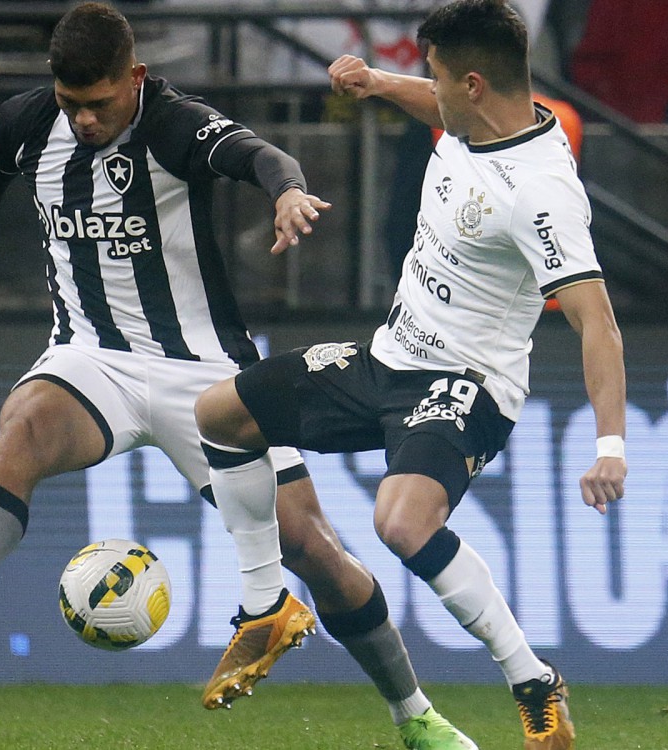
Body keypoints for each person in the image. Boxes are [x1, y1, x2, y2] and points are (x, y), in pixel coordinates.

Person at [0, 4, 476, 749]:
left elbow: (260, 156)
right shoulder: (27, 123)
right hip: (91, 357)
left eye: (100, 103)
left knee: (313, 549)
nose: (85, 120)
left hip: (205, 375)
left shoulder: (172, 125)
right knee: (23, 427)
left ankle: (414, 714)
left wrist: (287, 192)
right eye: (71, 103)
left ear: (135, 77)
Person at [195, 2, 627, 749]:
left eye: (435, 76)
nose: (428, 89)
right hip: (387, 358)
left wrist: (610, 447)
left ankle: (532, 679)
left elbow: (599, 324)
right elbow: (438, 102)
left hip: (466, 382)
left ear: (473, 84)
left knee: (400, 522)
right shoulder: (474, 118)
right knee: (219, 416)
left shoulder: (542, 193)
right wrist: (378, 82)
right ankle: (267, 604)